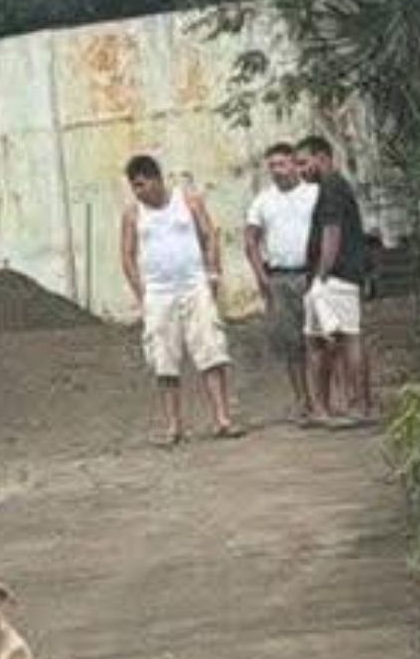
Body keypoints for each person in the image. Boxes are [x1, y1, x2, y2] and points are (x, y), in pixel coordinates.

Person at [119, 155, 242, 444]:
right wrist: (142, 292)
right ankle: (174, 427)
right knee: (164, 358)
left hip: (194, 286)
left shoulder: (188, 202)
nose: (138, 191)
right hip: (159, 294)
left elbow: (210, 236)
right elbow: (126, 254)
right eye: (133, 186)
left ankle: (222, 419)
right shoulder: (133, 214)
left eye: (141, 184)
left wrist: (213, 275)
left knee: (211, 350)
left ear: (157, 179)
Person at [296, 135, 373, 426]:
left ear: (322, 158)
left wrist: (322, 275)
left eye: (304, 163)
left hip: (335, 276)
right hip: (327, 276)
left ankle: (359, 406)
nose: (301, 170)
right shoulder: (331, 187)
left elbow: (332, 232)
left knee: (347, 338)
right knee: (315, 341)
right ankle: (321, 409)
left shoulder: (331, 187)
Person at [244, 143, 319, 424]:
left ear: (294, 164)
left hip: (313, 274)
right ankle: (303, 401)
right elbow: (250, 239)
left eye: (282, 164)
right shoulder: (263, 201)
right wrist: (261, 277)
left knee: (323, 339)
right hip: (279, 277)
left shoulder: (314, 194)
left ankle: (327, 399)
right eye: (272, 166)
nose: (277, 171)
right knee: (292, 344)